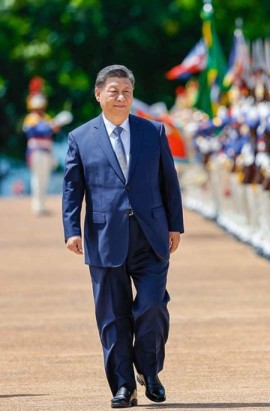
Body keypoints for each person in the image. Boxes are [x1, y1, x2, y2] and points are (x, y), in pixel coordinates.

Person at [62, 65, 184, 408]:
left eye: (126, 91)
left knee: (152, 305)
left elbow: (168, 183)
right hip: (104, 238)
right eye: (113, 91)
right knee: (112, 316)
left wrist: (175, 225)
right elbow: (73, 189)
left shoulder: (153, 132)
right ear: (99, 94)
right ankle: (123, 387)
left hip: (151, 237)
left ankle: (149, 370)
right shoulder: (80, 138)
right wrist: (71, 229)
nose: (120, 97)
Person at [23, 77, 71, 215]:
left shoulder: (45, 118)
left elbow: (52, 130)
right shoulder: (31, 118)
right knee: (38, 178)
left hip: (46, 151)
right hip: (36, 151)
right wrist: (52, 125)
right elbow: (36, 131)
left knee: (44, 179)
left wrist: (56, 124)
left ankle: (41, 204)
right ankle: (37, 205)